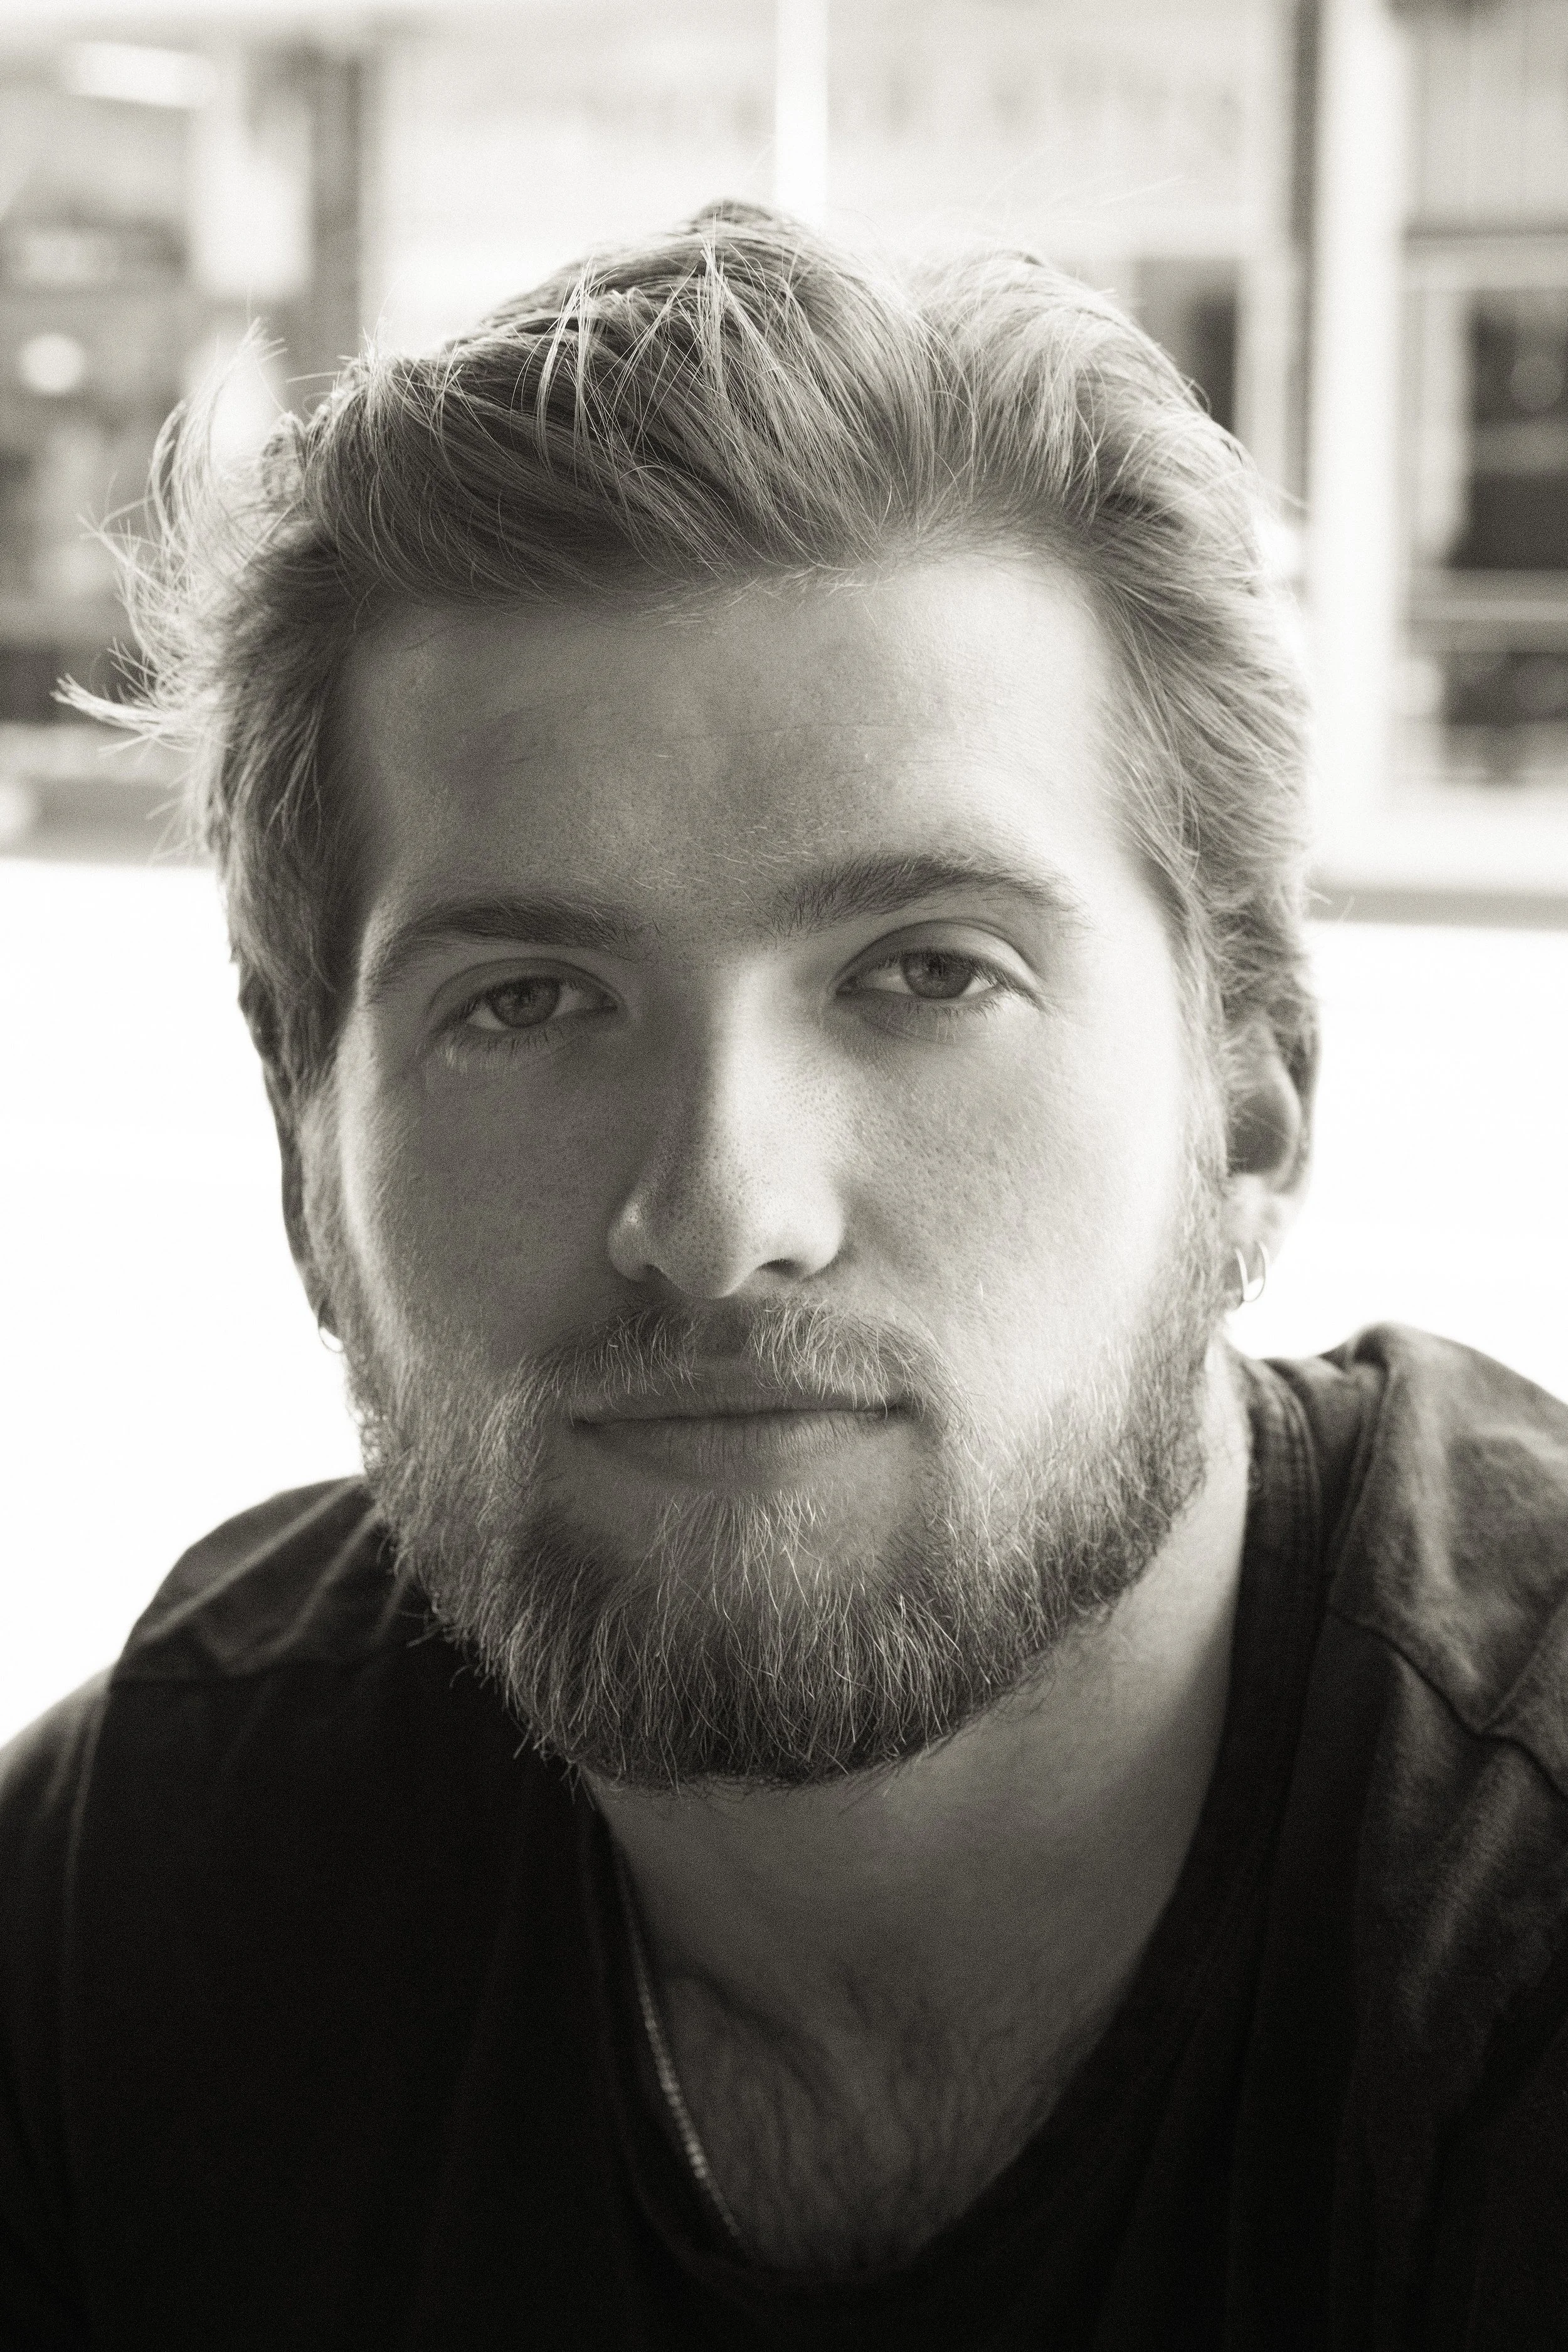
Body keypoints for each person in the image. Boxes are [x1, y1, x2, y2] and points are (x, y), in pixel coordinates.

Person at [3, 203, 1565, 2352]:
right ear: (305, 1154)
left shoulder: (1496, 1936)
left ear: (1251, 1095)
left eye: (926, 973)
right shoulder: (165, 1896)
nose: (723, 1212)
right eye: (527, 1003)